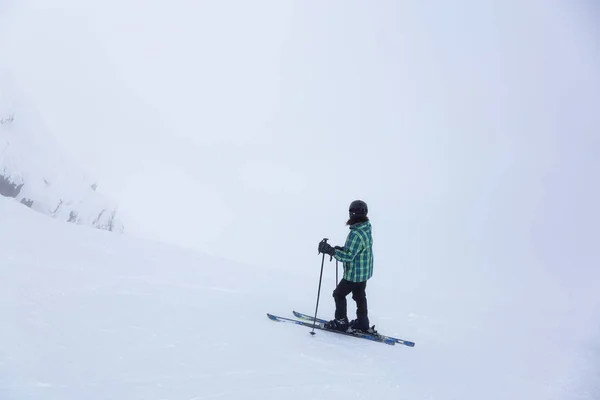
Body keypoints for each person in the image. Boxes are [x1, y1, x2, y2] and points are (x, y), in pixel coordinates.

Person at [317, 200, 373, 332]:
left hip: (353, 274)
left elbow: (348, 256)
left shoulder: (356, 234)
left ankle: (341, 322)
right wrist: (340, 249)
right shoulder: (366, 227)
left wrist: (331, 251)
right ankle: (363, 323)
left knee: (338, 294)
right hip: (363, 272)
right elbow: (356, 250)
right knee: (359, 296)